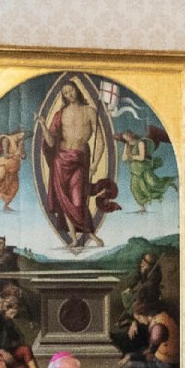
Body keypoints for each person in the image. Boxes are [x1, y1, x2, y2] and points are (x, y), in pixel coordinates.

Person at [37, 77, 119, 249]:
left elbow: (101, 141)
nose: (69, 94)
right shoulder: (60, 114)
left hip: (79, 160)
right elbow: (51, 143)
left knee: (78, 201)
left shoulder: (89, 111)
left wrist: (96, 163)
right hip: (61, 159)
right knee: (64, 201)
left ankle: (90, 234)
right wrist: (44, 126)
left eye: (71, 90)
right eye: (65, 93)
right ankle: (74, 239)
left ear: (77, 90)